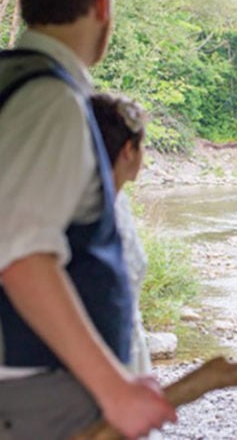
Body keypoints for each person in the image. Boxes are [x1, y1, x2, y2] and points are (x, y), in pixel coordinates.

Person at [0, 0, 176, 439]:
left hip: (11, 385)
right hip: (41, 394)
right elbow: (23, 258)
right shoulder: (49, 99)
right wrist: (116, 391)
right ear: (102, 2)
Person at [91, 93, 153, 376]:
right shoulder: (93, 212)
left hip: (128, 341)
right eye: (142, 146)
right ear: (128, 150)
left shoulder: (119, 201)